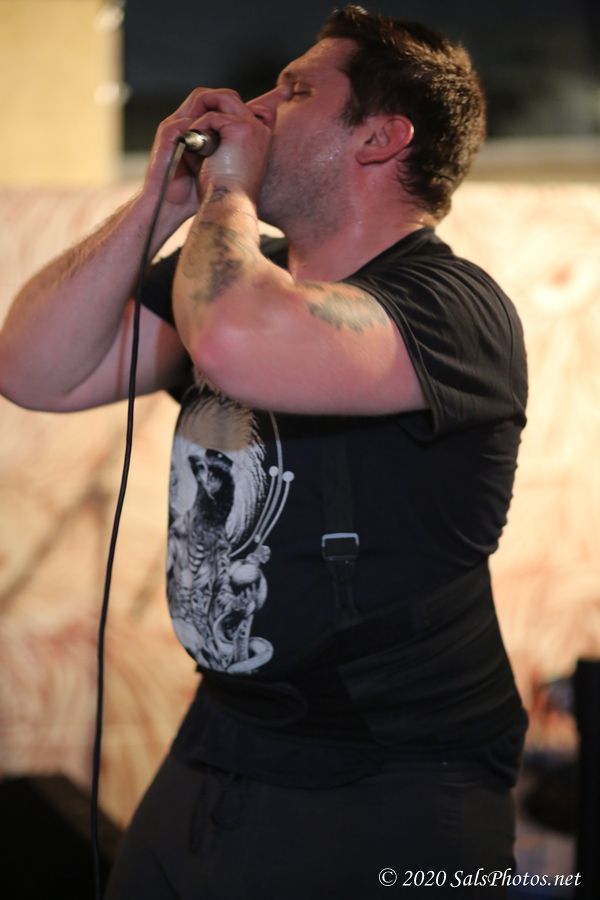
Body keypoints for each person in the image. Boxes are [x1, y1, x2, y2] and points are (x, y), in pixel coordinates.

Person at [0, 6, 528, 898]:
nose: (255, 107)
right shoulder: (235, 278)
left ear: (380, 137)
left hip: (392, 777)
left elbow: (241, 340)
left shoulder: (450, 306)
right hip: (224, 740)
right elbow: (31, 368)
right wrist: (164, 201)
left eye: (295, 91)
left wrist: (229, 197)